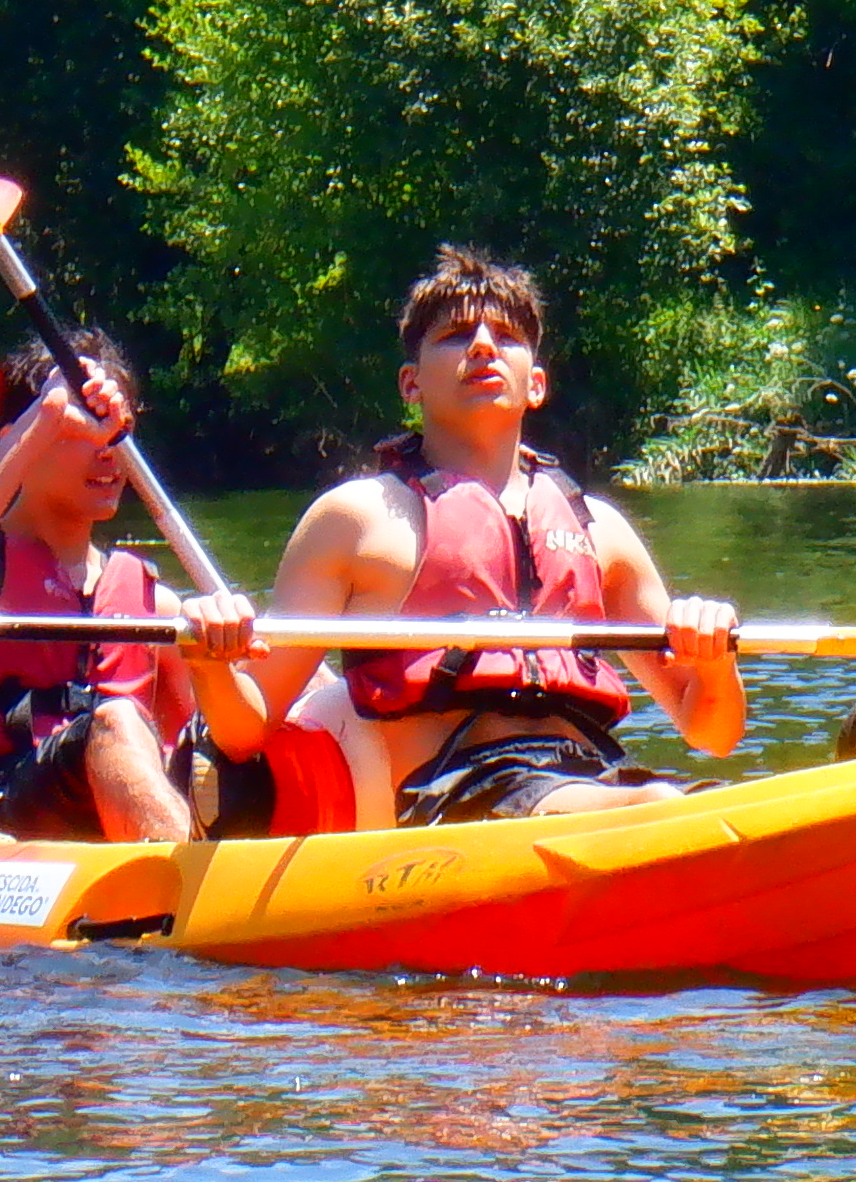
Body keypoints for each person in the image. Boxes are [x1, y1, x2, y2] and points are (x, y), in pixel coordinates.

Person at [200, 245, 741, 835]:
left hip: (598, 779)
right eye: (456, 336)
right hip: (455, 800)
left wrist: (713, 660)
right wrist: (209, 662)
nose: (483, 345)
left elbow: (710, 730)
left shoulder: (599, 530)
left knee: (716, 805)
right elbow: (246, 727)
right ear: (411, 383)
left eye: (506, 337)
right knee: (665, 810)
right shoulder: (355, 519)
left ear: (535, 384)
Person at [0, 331, 256, 843]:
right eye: (79, 430)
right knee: (119, 718)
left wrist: (213, 660)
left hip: (111, 817)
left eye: (116, 429)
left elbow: (241, 739)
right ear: (20, 438)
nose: (107, 451)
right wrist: (47, 415)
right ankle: (191, 894)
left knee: (301, 696)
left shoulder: (153, 602)